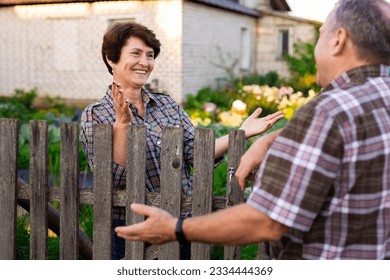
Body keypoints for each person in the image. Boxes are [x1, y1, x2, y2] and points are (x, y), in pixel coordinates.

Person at [115, 0, 390, 259]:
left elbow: (267, 220)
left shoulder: (328, 111)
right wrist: (274, 139)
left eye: (321, 34)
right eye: (136, 54)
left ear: (339, 39)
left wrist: (176, 229)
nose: (145, 62)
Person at [80, 22, 284, 260]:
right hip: (135, 228)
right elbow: (113, 180)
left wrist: (239, 133)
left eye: (150, 55)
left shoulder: (167, 105)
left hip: (181, 221)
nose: (145, 63)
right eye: (135, 53)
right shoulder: (96, 114)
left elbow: (194, 153)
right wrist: (122, 124)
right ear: (111, 59)